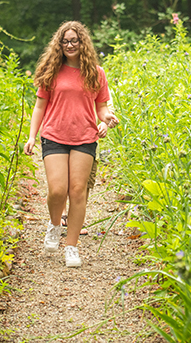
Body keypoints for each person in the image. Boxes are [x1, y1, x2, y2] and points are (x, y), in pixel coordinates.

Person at [24, 21, 118, 267]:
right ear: (59, 44)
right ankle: (55, 225)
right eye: (65, 41)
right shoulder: (51, 71)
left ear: (82, 43)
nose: (69, 45)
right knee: (57, 190)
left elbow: (101, 105)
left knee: (77, 192)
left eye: (74, 41)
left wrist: (106, 118)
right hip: (54, 135)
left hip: (85, 137)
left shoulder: (96, 73)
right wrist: (32, 136)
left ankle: (71, 247)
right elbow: (39, 106)